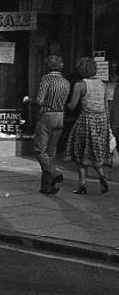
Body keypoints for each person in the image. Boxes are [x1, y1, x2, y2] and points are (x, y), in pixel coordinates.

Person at [65, 56, 111, 195]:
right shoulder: (103, 84)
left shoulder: (80, 85)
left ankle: (82, 184)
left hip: (86, 120)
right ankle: (102, 175)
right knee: (95, 152)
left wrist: (64, 105)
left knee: (79, 151)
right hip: (101, 121)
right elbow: (106, 106)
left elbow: (72, 106)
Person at [29, 55, 70, 195]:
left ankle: (54, 172)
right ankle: (47, 187)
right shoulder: (66, 82)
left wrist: (29, 100)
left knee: (39, 150)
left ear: (48, 65)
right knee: (51, 152)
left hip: (47, 116)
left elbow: (40, 101)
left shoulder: (46, 79)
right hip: (60, 116)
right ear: (61, 65)